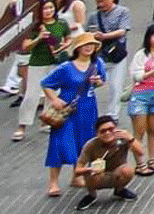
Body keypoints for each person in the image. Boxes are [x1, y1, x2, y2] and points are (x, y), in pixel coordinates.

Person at [38, 34, 107, 196]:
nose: (88, 48)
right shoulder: (66, 67)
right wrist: (54, 99)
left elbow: (102, 81)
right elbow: (46, 83)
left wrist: (98, 82)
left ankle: (77, 175)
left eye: (91, 45)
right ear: (77, 48)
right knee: (59, 144)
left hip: (88, 109)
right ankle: (53, 183)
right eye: (85, 45)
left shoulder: (98, 64)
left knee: (84, 143)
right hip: (67, 111)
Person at [124, 28, 154, 174]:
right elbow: (137, 76)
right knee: (139, 131)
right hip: (140, 95)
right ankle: (139, 163)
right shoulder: (141, 54)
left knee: (153, 130)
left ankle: (152, 160)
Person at [70, 115, 139, 208]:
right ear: (97, 134)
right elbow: (77, 170)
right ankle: (91, 195)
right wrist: (90, 169)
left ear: (116, 129)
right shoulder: (91, 145)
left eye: (111, 129)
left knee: (128, 170)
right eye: (103, 131)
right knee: (89, 174)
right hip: (98, 177)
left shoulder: (123, 139)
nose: (107, 133)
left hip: (117, 173)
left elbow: (140, 152)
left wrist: (130, 138)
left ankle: (119, 190)